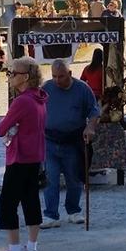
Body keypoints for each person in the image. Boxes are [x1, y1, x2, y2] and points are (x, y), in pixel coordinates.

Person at [0, 56, 49, 251]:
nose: (10, 76)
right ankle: (31, 248)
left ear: (25, 77)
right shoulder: (41, 97)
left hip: (19, 157)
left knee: (6, 204)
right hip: (35, 156)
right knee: (30, 201)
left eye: (13, 73)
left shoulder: (22, 100)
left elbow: (0, 129)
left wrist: (12, 126)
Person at [40, 59, 99, 227]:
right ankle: (51, 215)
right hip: (50, 140)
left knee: (73, 178)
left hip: (73, 141)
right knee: (51, 178)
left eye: (61, 76)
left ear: (70, 74)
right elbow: (37, 107)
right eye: (54, 76)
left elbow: (94, 110)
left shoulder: (82, 89)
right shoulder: (46, 88)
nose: (57, 80)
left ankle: (73, 210)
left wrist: (90, 127)